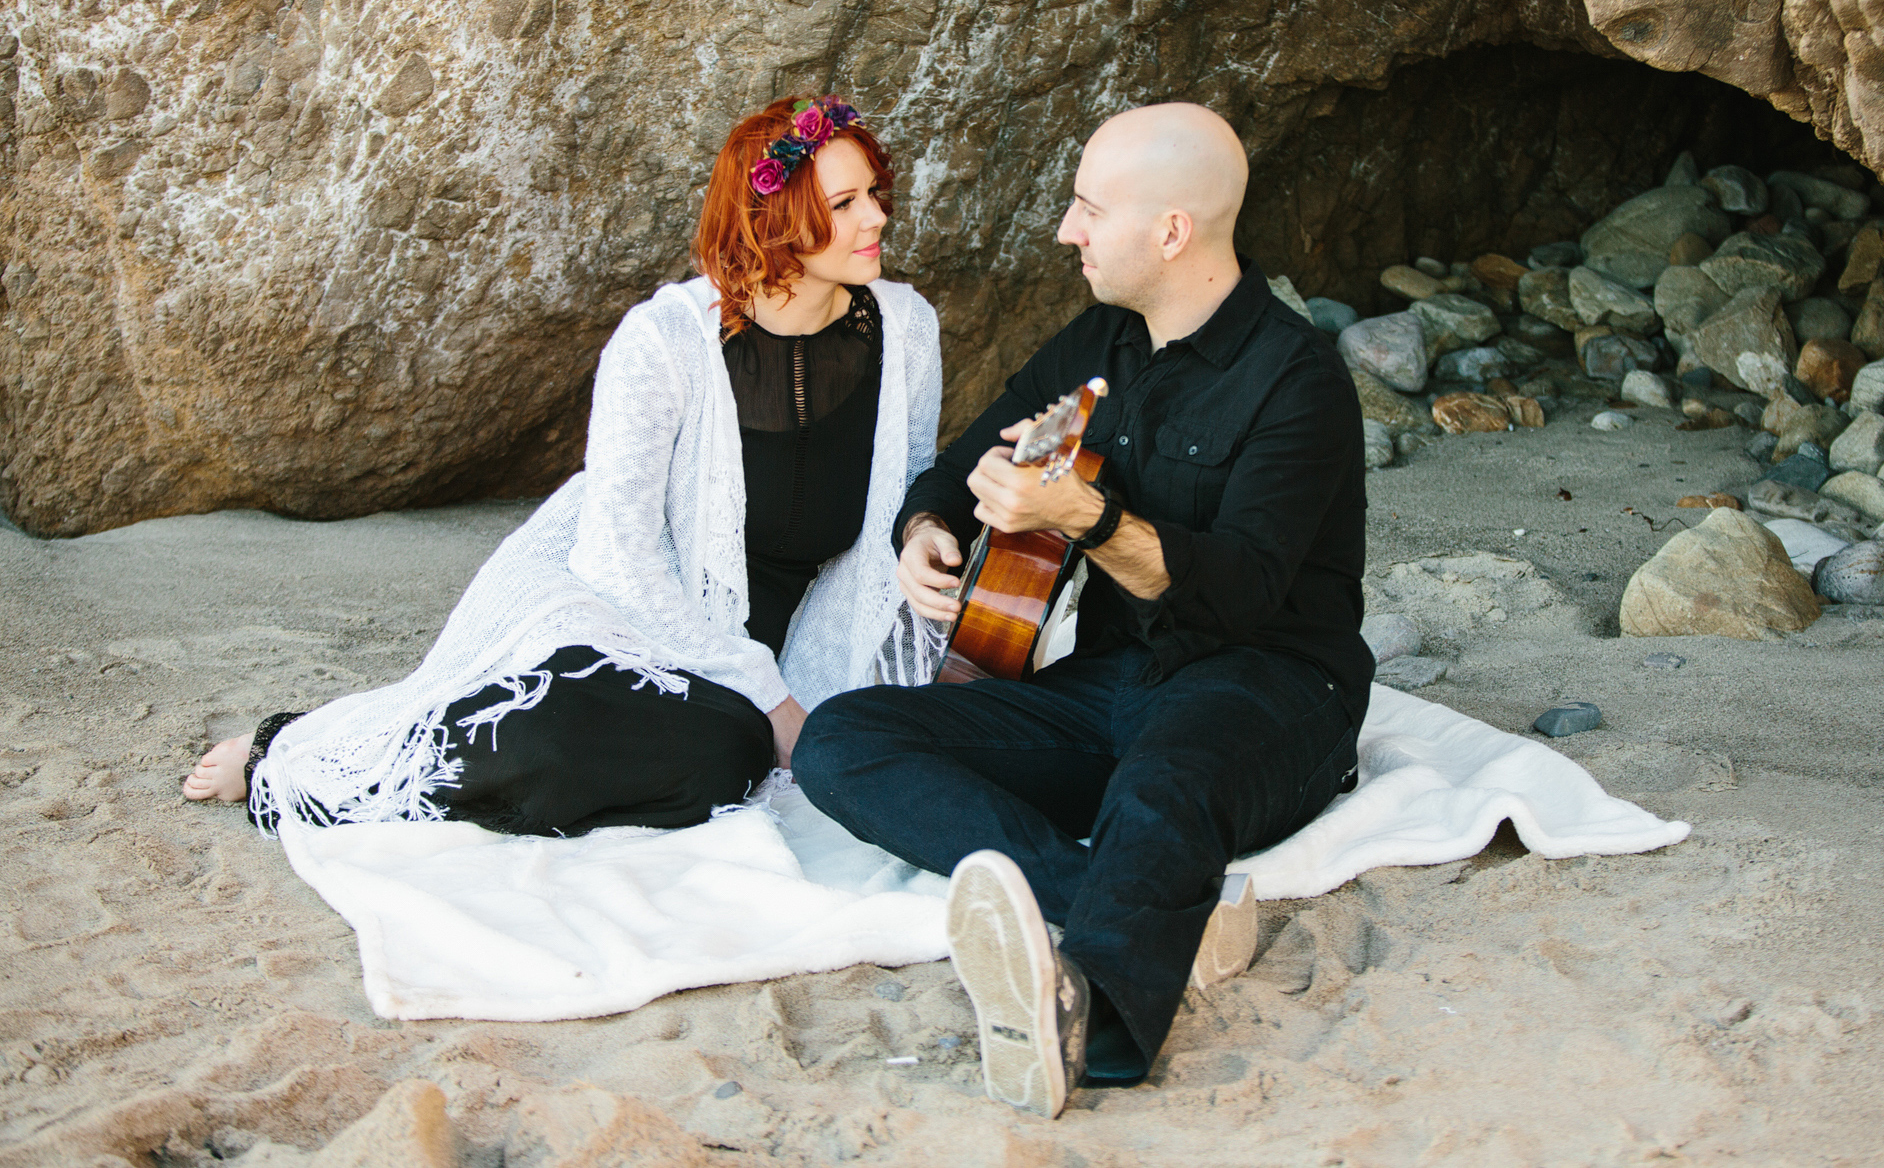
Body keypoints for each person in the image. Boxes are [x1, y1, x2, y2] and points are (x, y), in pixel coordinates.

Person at [791, 103, 1372, 1116]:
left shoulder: (1294, 378)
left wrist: (1087, 515)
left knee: (1163, 784)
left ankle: (1077, 1012)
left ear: (1171, 232)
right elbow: (964, 456)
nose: (1066, 230)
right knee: (842, 741)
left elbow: (1233, 597)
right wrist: (923, 528)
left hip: (1266, 681)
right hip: (1111, 680)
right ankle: (1146, 908)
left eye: (1088, 209)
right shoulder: (1102, 338)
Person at [182, 95, 943, 835]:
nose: (875, 217)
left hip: (786, 649)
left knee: (723, 754)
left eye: (873, 193)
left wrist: (922, 557)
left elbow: (899, 519)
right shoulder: (662, 343)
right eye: (843, 203)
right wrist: (771, 701)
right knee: (664, 743)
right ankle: (306, 757)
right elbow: (619, 556)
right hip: (628, 615)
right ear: (775, 221)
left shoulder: (907, 332)